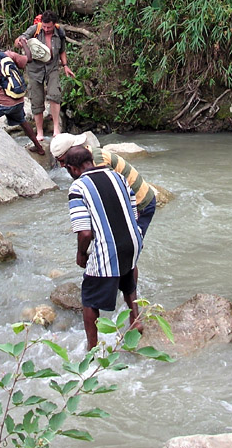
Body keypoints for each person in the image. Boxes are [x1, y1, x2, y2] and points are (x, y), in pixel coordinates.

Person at [62, 144, 144, 349]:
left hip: (110, 248)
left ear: (72, 168)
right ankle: (136, 320)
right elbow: (135, 214)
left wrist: (81, 254)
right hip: (134, 240)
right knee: (127, 273)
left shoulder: (78, 187)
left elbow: (85, 232)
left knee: (89, 297)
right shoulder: (118, 177)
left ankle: (92, 347)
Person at [50, 133, 158, 237]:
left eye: (63, 160)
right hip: (132, 201)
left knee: (130, 244)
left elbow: (111, 196)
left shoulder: (96, 162)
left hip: (141, 202)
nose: (62, 165)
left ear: (73, 150)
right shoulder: (86, 159)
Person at [14, 10, 74, 140]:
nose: (46, 29)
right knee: (36, 100)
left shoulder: (59, 32)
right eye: (45, 26)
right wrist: (21, 41)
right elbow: (18, 41)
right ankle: (39, 132)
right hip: (35, 70)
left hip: (52, 68)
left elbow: (62, 51)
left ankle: (56, 129)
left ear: (54, 25)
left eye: (49, 27)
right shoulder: (35, 29)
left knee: (54, 95)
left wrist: (65, 66)